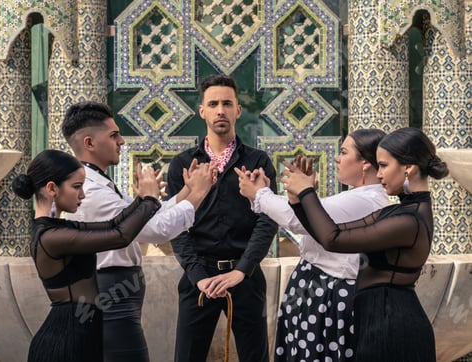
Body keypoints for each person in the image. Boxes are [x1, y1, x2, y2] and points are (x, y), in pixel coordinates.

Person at [61, 101, 216, 362]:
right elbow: (155, 230)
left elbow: (145, 220)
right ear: (89, 143)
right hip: (110, 290)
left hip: (117, 290)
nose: (121, 141)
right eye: (113, 135)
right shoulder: (92, 190)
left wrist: (187, 191)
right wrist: (198, 194)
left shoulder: (99, 182)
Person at [281, 127, 448, 362]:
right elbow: (330, 233)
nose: (378, 174)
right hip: (378, 320)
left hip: (393, 327)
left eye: (384, 165)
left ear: (408, 167)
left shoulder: (409, 221)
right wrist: (298, 200)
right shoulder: (397, 212)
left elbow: (333, 239)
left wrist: (308, 192)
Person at [236, 128, 389, 361]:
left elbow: (297, 221)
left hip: (326, 294)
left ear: (366, 163)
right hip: (315, 289)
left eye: (345, 152)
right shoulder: (361, 196)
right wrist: (300, 196)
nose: (337, 158)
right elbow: (309, 222)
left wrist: (260, 194)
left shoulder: (364, 199)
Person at [166, 74, 279, 362]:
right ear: (201, 111)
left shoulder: (257, 162)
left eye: (227, 103)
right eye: (213, 103)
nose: (220, 110)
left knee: (255, 356)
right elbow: (176, 225)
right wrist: (198, 276)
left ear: (238, 110)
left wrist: (242, 269)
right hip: (199, 279)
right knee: (187, 356)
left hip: (245, 277)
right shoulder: (183, 164)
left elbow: (268, 221)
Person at [12, 149, 162, 362]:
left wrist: (141, 200)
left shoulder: (58, 229)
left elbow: (113, 225)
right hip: (66, 342)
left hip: (81, 335)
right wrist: (150, 200)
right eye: (76, 186)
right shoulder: (51, 237)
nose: (82, 194)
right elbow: (119, 237)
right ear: (52, 188)